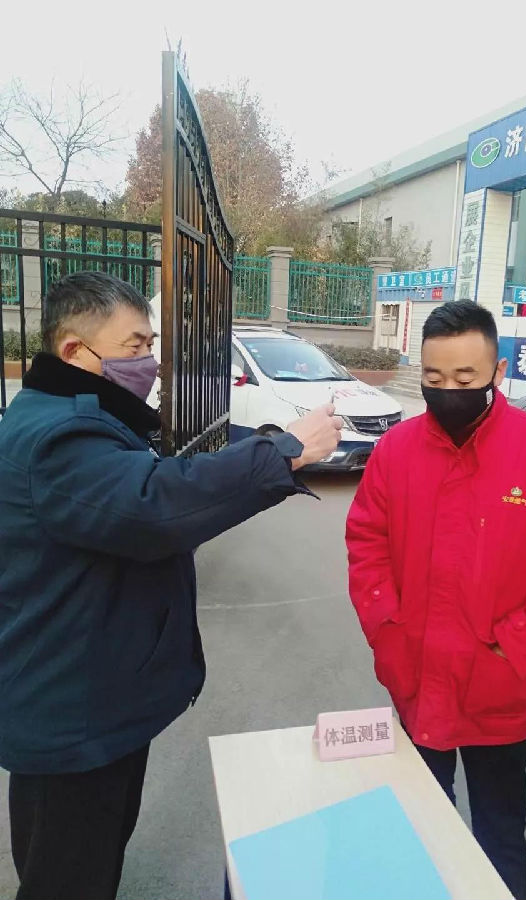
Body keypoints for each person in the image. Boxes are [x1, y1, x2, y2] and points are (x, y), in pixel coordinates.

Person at [0, 271, 342, 900]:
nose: (149, 362)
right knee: (67, 876)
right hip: (72, 715)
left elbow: (156, 479)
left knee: (87, 861)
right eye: (133, 346)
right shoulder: (59, 437)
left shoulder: (77, 414)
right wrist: (284, 453)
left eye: (150, 344)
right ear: (74, 350)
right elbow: (154, 504)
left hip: (86, 698)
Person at [346, 300, 526, 900]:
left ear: (497, 372)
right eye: (434, 377)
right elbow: (366, 541)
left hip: (499, 691)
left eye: (464, 378)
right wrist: (387, 624)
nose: (448, 392)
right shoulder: (397, 450)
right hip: (415, 678)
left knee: (498, 834)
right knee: (421, 824)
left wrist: (515, 644)